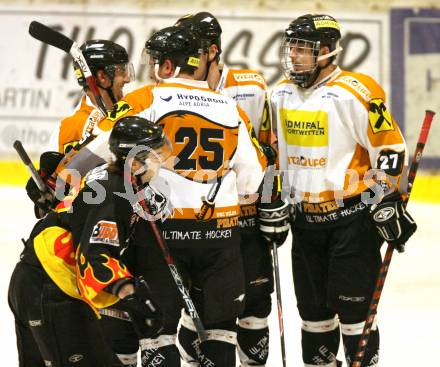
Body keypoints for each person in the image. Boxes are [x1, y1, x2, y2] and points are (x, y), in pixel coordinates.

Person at [76, 24, 268, 366]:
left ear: (168, 67)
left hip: (160, 236)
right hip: (220, 236)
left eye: (155, 62)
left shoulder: (146, 98)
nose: (152, 69)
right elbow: (252, 181)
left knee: (158, 334)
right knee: (221, 332)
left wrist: (61, 176)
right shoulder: (229, 108)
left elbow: (96, 152)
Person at [270, 14, 418, 366]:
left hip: (352, 223)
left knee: (354, 316)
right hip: (303, 224)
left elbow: (391, 149)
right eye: (291, 47)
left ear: (325, 51)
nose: (293, 55)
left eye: (301, 49)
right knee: (313, 316)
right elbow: (271, 153)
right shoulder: (280, 94)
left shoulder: (357, 91)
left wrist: (384, 198)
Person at [8, 116, 165, 367]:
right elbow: (95, 255)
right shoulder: (115, 191)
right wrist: (131, 294)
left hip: (35, 280)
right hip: (49, 288)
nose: (161, 162)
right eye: (156, 155)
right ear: (136, 161)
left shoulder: (106, 180)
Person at [175, 12, 285, 367]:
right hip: (197, 220)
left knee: (255, 299)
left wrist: (271, 201)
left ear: (212, 49)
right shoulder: (172, 91)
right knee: (198, 302)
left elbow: (270, 150)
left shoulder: (252, 86)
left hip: (246, 215)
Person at [27, 39, 134, 219]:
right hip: (98, 223)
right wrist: (42, 194)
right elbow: (49, 201)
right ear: (102, 77)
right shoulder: (71, 128)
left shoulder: (64, 128)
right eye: (121, 70)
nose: (128, 78)